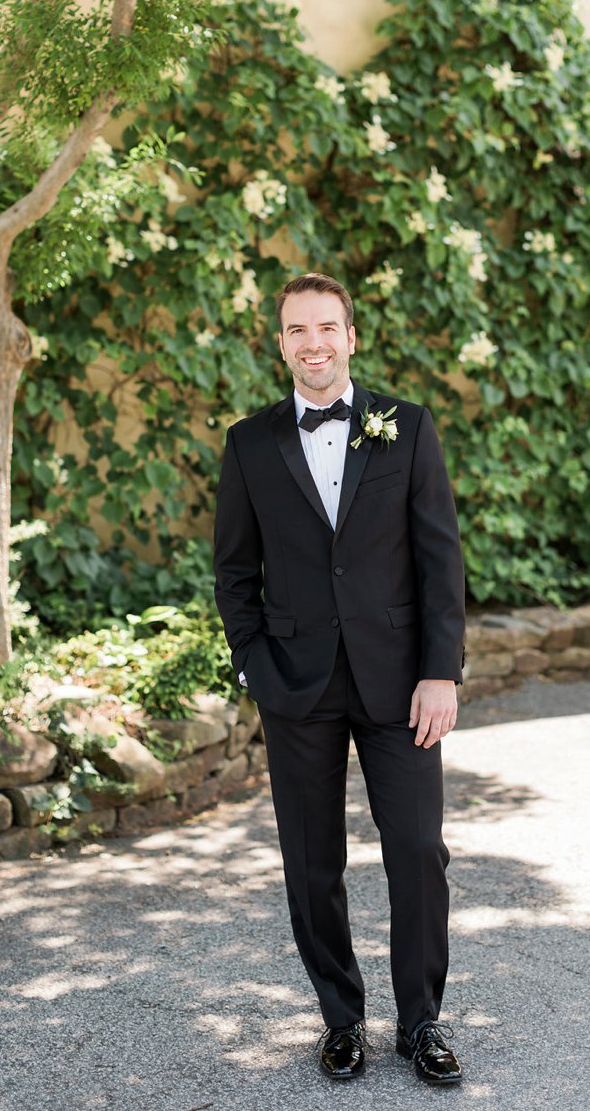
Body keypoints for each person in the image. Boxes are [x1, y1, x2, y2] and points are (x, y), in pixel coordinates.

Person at [213, 272, 466, 1085]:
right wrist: (254, 663)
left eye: (327, 328)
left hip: (400, 684)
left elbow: (439, 562)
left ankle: (421, 1022)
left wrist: (441, 674)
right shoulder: (249, 444)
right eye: (297, 330)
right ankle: (341, 1018)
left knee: (419, 849)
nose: (312, 343)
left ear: (351, 336)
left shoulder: (409, 427)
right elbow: (232, 573)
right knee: (311, 860)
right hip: (295, 682)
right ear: (280, 341)